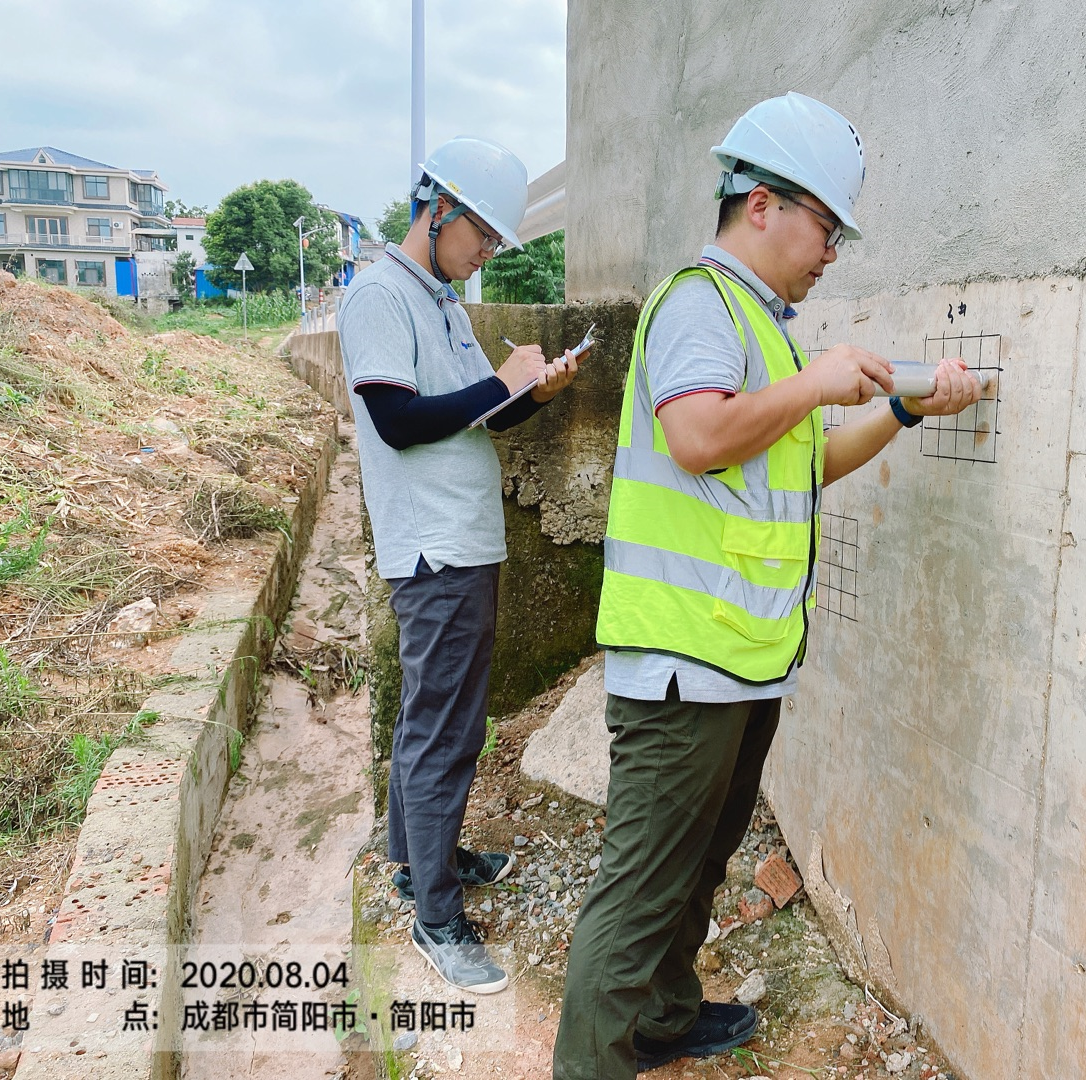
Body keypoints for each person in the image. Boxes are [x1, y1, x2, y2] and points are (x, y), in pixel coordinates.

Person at [552, 92, 981, 1077]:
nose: (832, 249)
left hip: (737, 661)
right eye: (825, 225)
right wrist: (820, 380)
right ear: (759, 204)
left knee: (696, 870)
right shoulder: (703, 301)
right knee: (639, 895)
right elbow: (698, 437)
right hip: (681, 660)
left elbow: (807, 462)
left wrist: (902, 411)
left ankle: (661, 1019)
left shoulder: (767, 331)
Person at [337, 136, 581, 994]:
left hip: (463, 541)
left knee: (433, 720)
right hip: (433, 548)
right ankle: (437, 917)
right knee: (445, 732)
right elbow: (399, 422)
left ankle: (420, 862)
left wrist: (530, 391)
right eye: (481, 234)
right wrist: (502, 378)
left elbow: (484, 416)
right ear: (437, 211)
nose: (486, 253)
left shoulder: (439, 301)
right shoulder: (378, 296)